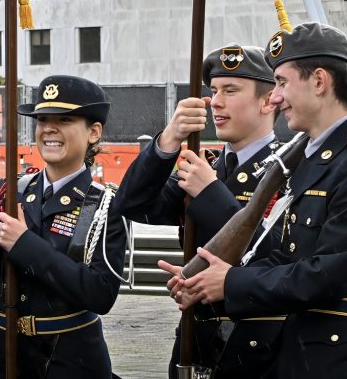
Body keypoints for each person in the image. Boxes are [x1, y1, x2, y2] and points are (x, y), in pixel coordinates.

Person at [161, 23, 347, 379]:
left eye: (281, 82)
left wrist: (230, 283)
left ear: (319, 81)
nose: (275, 97)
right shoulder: (312, 159)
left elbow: (328, 274)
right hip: (297, 350)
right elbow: (287, 256)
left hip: (339, 358)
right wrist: (203, 282)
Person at [114, 45, 284, 377]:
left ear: (268, 100)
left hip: (260, 344)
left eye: (230, 91)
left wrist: (210, 193)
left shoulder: (289, 168)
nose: (215, 102)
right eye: (214, 91)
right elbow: (132, 204)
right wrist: (167, 141)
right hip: (196, 339)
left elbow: (275, 250)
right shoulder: (206, 167)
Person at [0, 75, 128, 379]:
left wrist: (25, 246)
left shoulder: (102, 205)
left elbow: (99, 294)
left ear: (94, 132)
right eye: (42, 119)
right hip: (5, 352)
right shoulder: (12, 191)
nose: (49, 129)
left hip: (70, 357)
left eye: (65, 119)